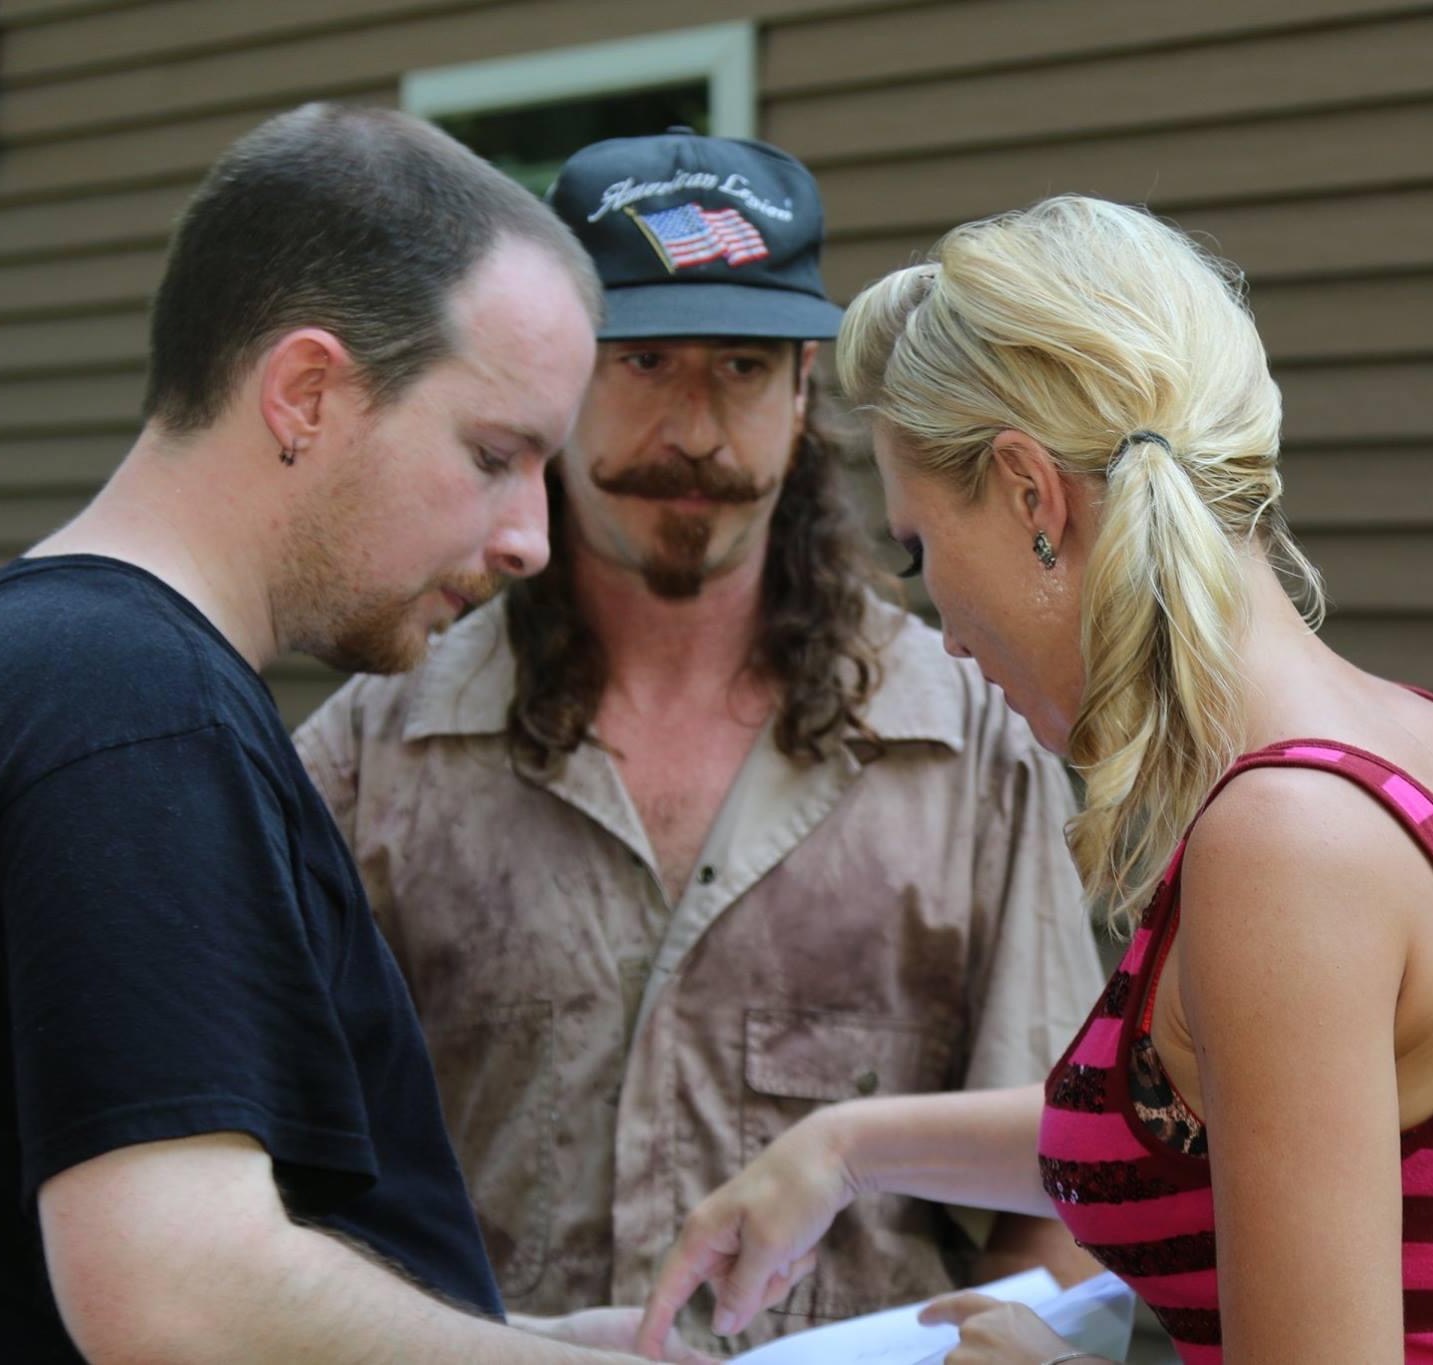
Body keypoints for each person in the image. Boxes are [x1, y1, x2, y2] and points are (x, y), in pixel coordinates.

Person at [638, 195, 1433, 1363]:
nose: (936, 622)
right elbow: (1258, 1120)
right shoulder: (1430, 752)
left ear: (1029, 499)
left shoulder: (1284, 843)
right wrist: (846, 1145)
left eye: (917, 549)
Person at [0, 103, 704, 1363]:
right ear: (304, 392)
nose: (530, 538)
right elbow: (179, 1295)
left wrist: (551, 1344)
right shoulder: (130, 722)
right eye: (493, 453)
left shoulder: (53, 671)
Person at [293, 130, 1108, 1353]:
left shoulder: (969, 752)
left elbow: (1068, 1175)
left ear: (799, 397)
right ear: (555, 383)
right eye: (642, 361)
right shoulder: (375, 750)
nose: (693, 429)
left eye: (738, 364)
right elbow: (277, 1185)